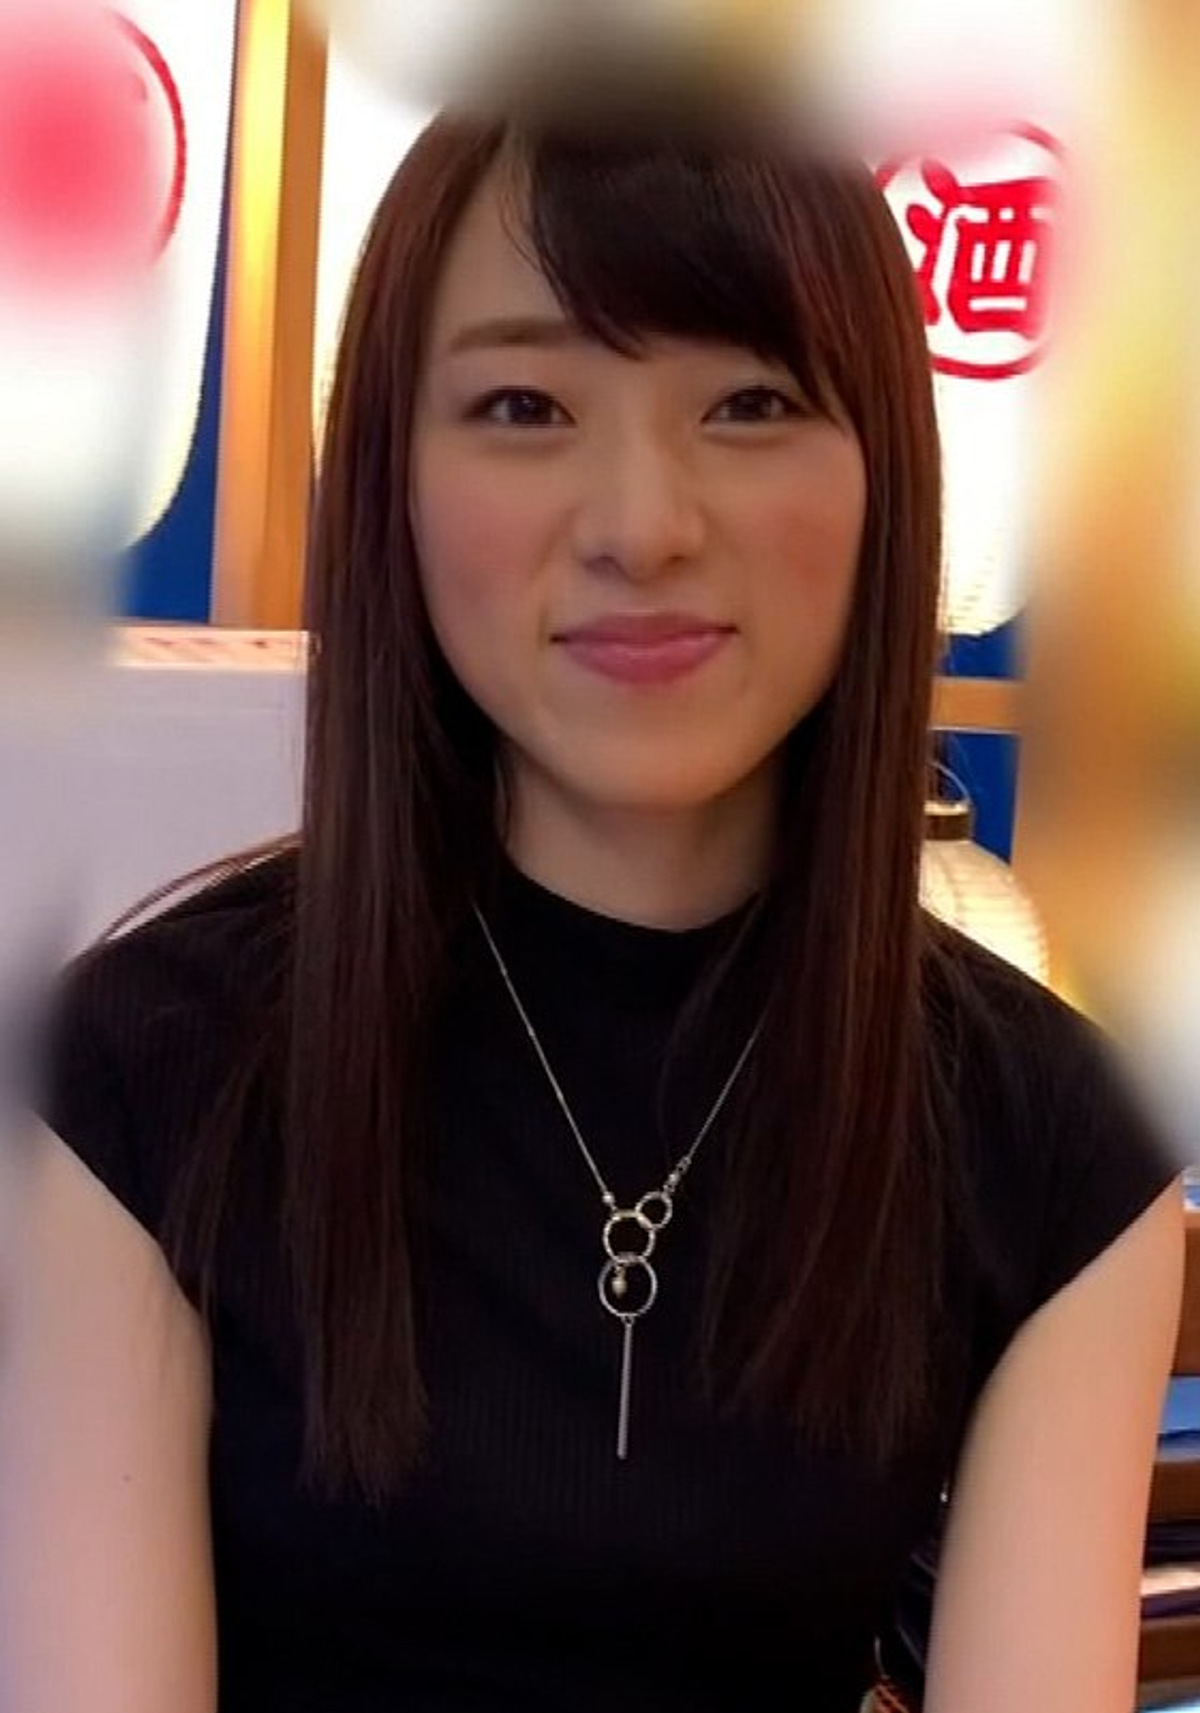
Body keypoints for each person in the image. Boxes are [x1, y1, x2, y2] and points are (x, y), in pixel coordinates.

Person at [0, 91, 1183, 1713]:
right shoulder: (137, 1082)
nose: (642, 526)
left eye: (751, 402)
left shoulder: (1056, 1144)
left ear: (885, 474)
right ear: (393, 479)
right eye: (524, 404)